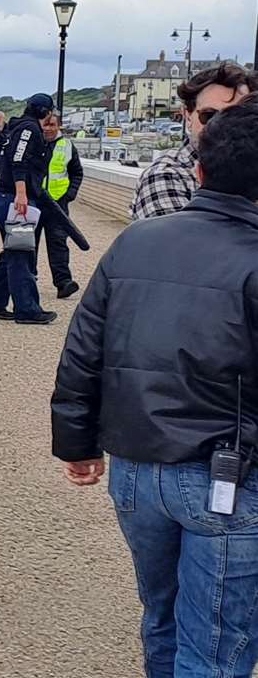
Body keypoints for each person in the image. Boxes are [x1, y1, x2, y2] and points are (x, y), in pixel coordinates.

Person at [51, 99, 258, 678]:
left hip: (137, 468)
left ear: (200, 171)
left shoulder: (138, 242)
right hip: (230, 475)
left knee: (163, 619)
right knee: (216, 645)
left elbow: (84, 349)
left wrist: (78, 443)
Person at [132, 62, 253, 220]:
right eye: (209, 116)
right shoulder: (166, 176)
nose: (222, 126)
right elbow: (180, 241)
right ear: (188, 116)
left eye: (236, 117)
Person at [0, 93, 59, 325]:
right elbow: (18, 160)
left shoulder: (17, 128)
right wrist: (21, 194)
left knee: (12, 251)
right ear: (45, 112)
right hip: (15, 200)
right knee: (21, 253)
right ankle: (27, 309)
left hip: (5, 199)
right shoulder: (29, 130)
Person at [42, 112, 85, 300]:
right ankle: (26, 281)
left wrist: (69, 195)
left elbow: (76, 172)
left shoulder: (67, 146)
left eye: (52, 125)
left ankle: (63, 282)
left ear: (59, 126)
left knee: (58, 243)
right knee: (28, 244)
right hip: (35, 200)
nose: (48, 128)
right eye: (46, 124)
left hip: (58, 203)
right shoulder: (34, 142)